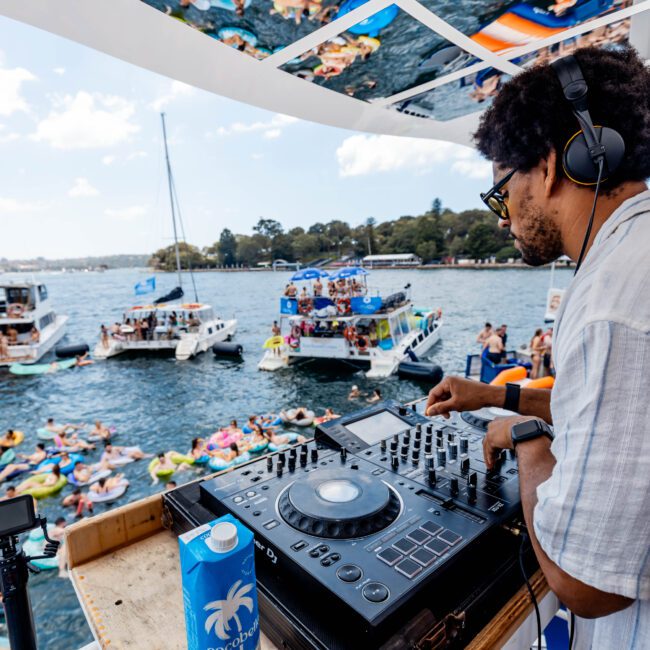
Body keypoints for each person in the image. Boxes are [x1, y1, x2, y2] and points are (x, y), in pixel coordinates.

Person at [428, 47, 650, 646]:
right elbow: (617, 416)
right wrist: (500, 397)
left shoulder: (611, 302)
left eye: (501, 192)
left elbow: (583, 585)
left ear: (548, 165)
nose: (503, 219)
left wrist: (528, 444)